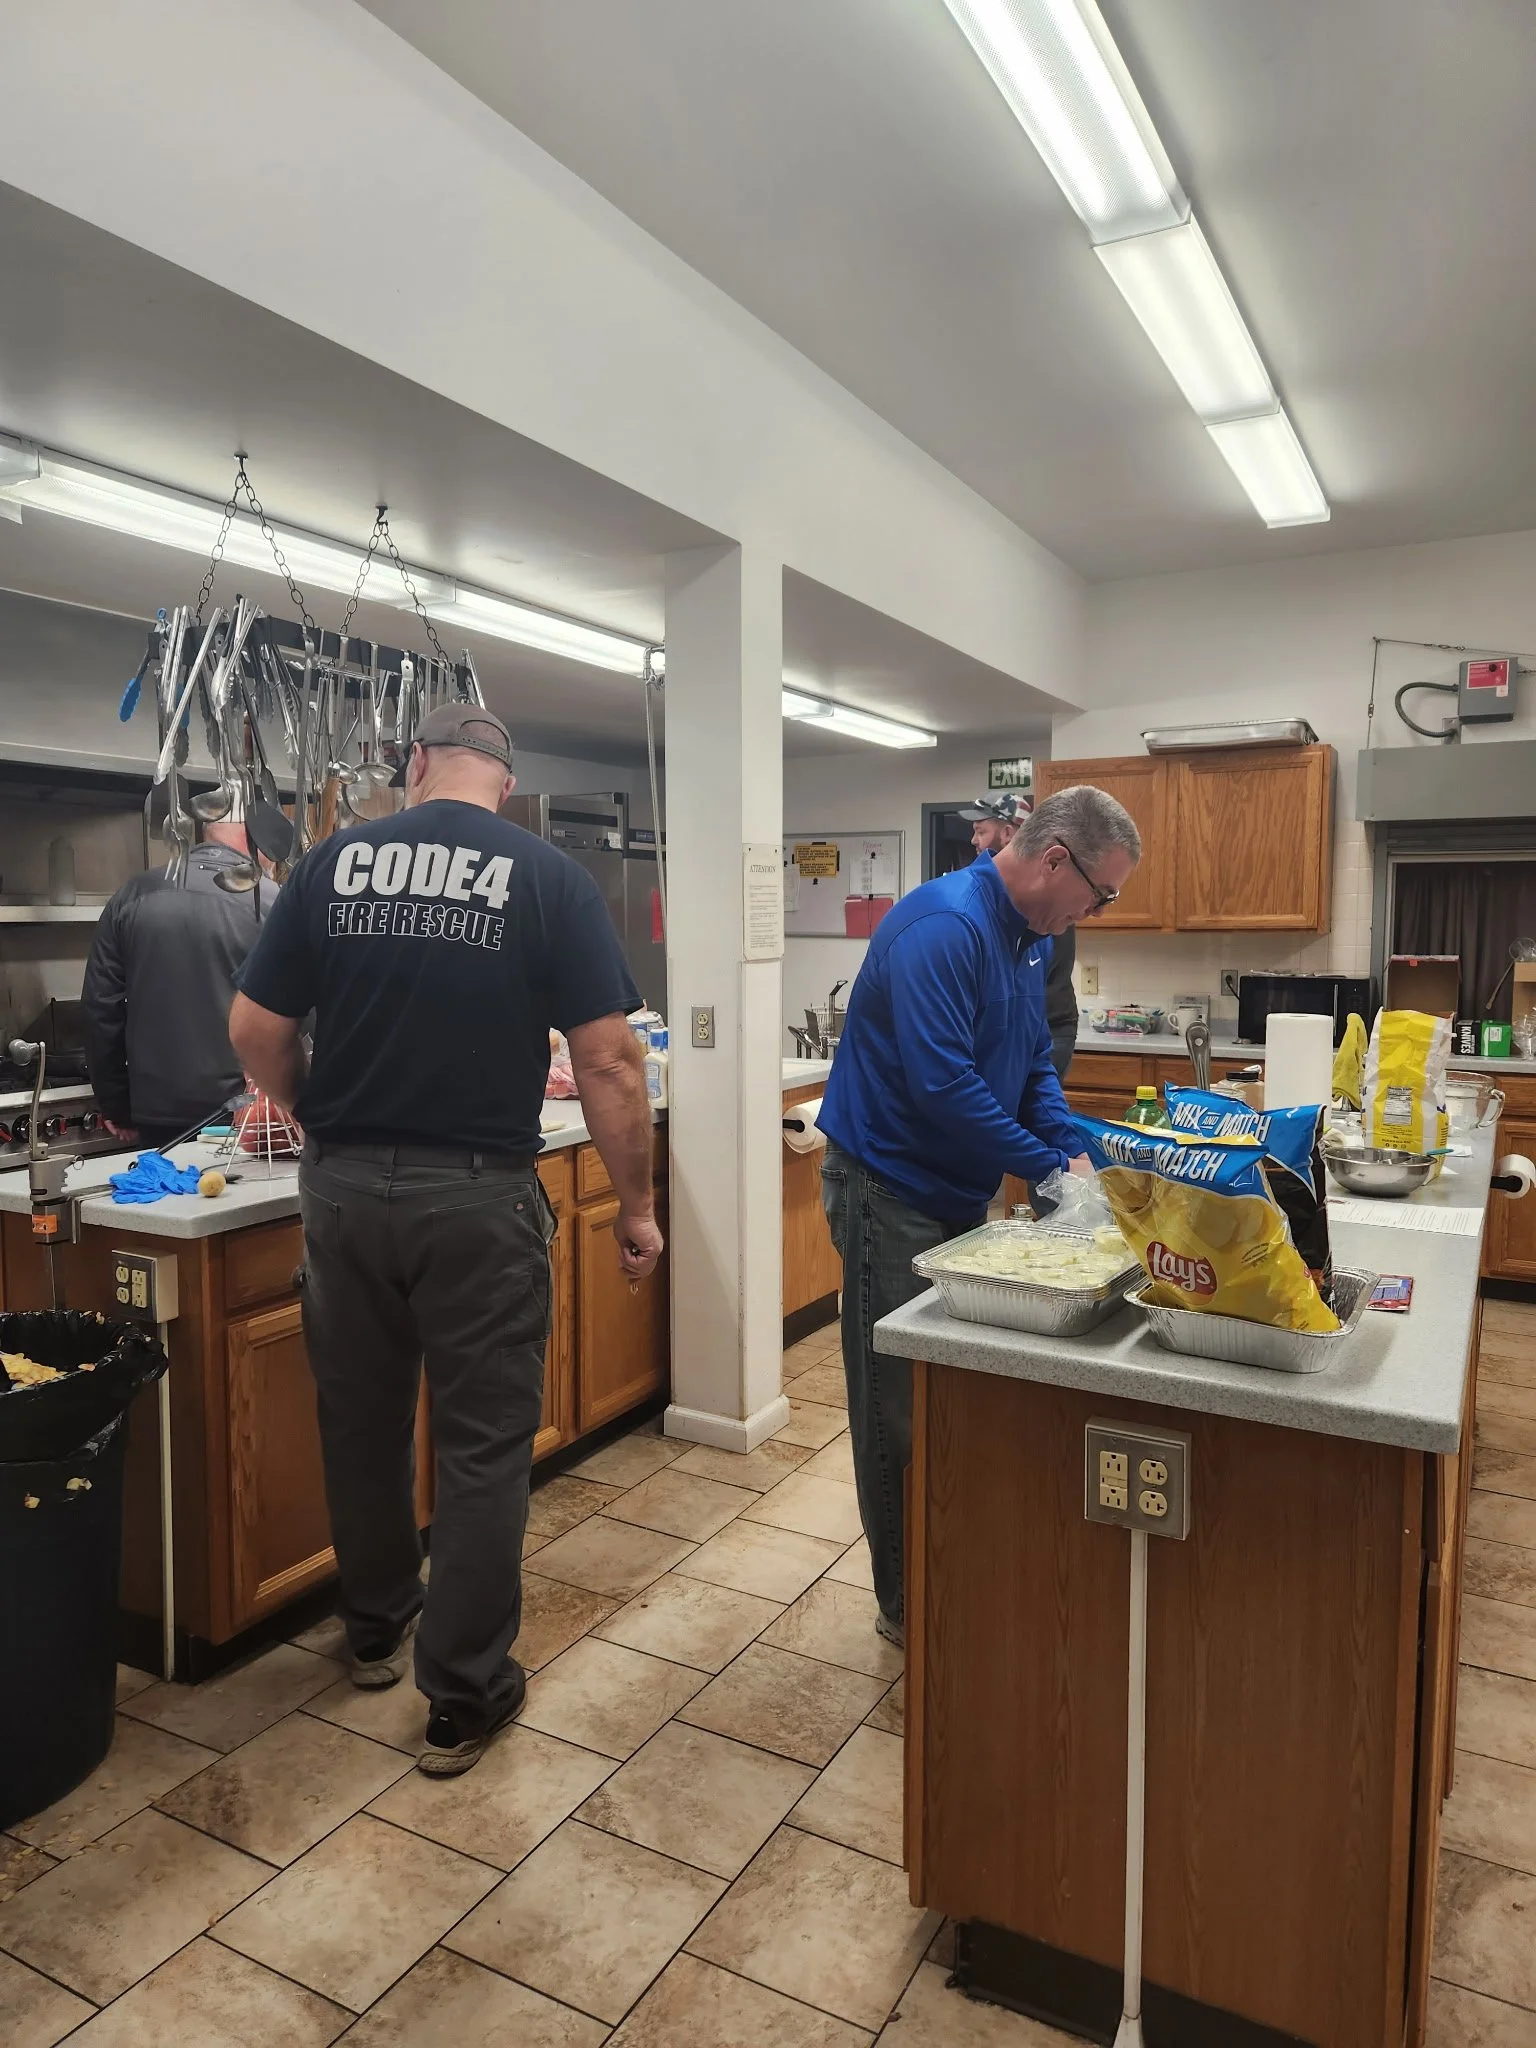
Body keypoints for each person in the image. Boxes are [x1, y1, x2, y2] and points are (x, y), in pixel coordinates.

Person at [228, 705, 662, 1777]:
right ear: (503, 785)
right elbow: (608, 1061)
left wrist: (318, 1117)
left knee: (361, 1417)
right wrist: (638, 1206)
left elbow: (253, 1032)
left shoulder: (330, 864)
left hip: (342, 1195)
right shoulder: (546, 876)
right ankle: (461, 1696)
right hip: (474, 1195)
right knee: (480, 1443)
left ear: (414, 767)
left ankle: (375, 1625)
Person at [819, 784, 1141, 1644]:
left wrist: (1074, 1154)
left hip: (954, 1194)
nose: (1095, 913)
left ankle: (948, 1566)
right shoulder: (947, 927)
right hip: (886, 1192)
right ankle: (906, 1607)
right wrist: (1044, 1166)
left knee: (949, 1397)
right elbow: (943, 1085)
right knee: (895, 1409)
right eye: (1099, 894)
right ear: (1055, 860)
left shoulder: (1027, 939)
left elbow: (1031, 1062)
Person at [80, 809, 279, 1149]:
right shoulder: (274, 901)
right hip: (244, 1111)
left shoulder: (131, 895)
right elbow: (303, 1012)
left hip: (155, 1112)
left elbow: (102, 1009)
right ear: (255, 837)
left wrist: (116, 1104)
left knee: (162, 1196)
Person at [960, 794, 1078, 1079]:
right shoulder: (985, 897)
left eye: (980, 831)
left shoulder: (1035, 895)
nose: (974, 841)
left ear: (1008, 832)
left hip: (1045, 1028)